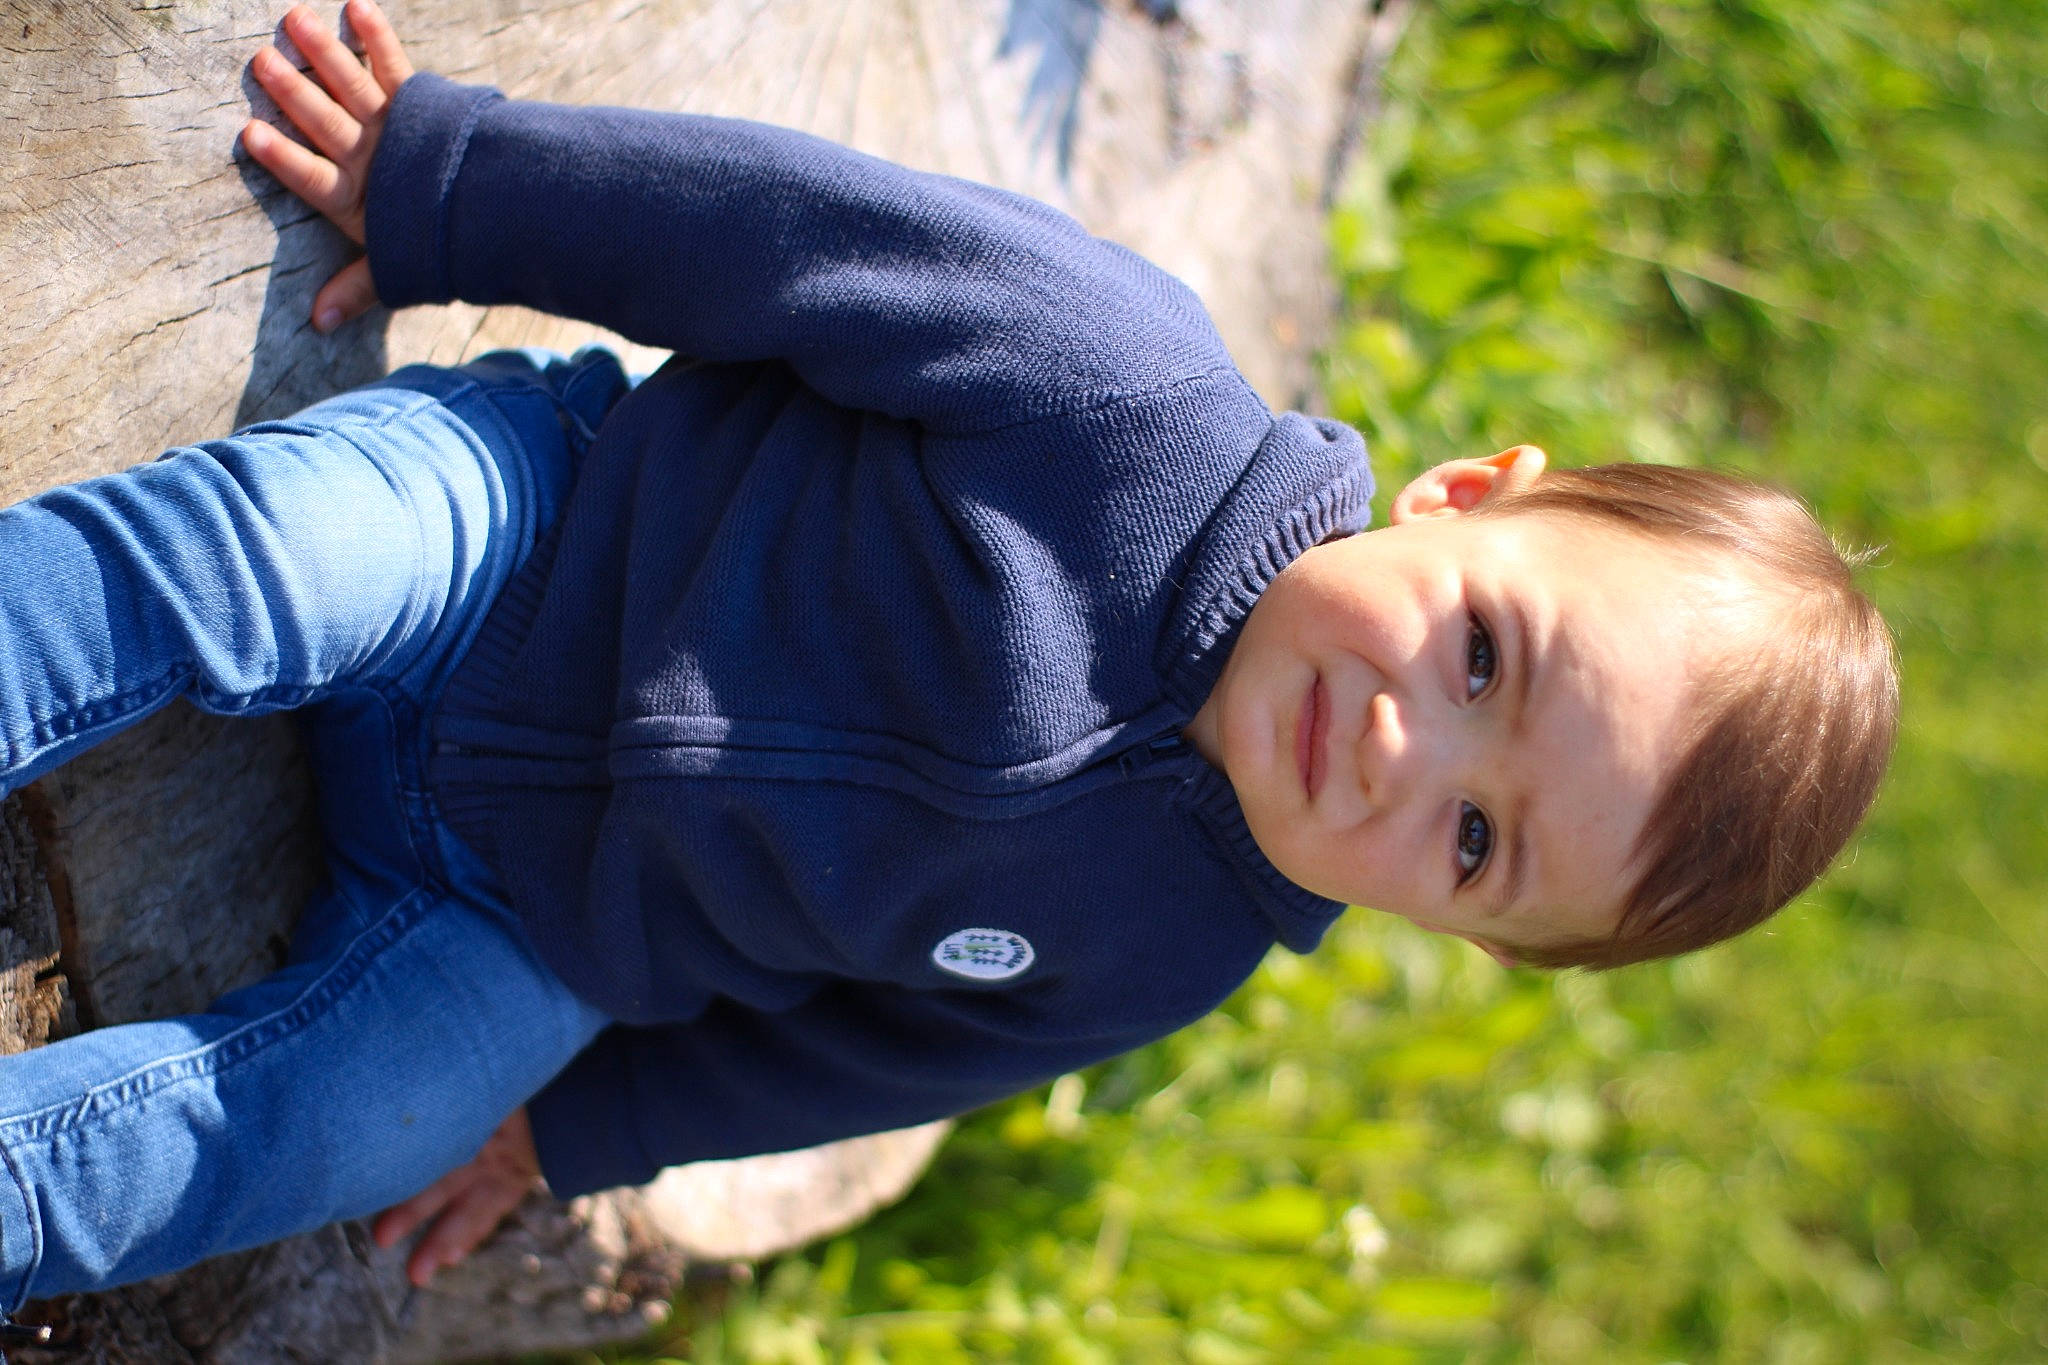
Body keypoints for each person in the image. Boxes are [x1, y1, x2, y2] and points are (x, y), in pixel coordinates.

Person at [0, 0, 1896, 1323]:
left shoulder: (1171, 948)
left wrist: (580, 1124)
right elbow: (777, 237)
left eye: (1478, 844)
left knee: (334, 1124)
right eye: (1486, 654)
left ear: (1463, 935)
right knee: (254, 565)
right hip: (532, 538)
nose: (1410, 752)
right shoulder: (1123, 395)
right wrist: (447, 184)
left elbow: (873, 1053)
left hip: (529, 928)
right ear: (1471, 492)